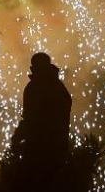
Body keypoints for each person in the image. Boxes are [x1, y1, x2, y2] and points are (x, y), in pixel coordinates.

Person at [10, 52, 73, 187]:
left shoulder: (34, 88)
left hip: (38, 151)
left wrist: (16, 139)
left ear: (34, 68)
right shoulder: (59, 88)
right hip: (58, 149)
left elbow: (29, 119)